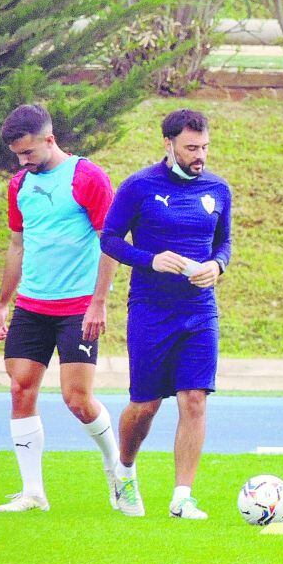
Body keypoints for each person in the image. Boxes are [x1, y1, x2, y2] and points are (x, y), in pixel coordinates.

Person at [100, 109, 232, 519]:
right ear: (168, 144)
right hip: (151, 310)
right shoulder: (140, 186)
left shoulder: (218, 189)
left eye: (205, 147)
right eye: (191, 147)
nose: (200, 155)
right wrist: (151, 260)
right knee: (146, 404)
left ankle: (182, 497)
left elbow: (224, 243)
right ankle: (123, 470)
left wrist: (218, 266)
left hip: (199, 311)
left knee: (194, 399)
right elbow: (109, 240)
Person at [0, 104, 121, 512]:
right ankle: (33, 492)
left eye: (29, 153)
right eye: (17, 156)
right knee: (20, 387)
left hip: (77, 306)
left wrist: (98, 303)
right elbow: (17, 245)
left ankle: (117, 468)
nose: (23, 162)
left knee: (77, 399)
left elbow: (110, 242)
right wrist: (2, 305)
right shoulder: (19, 185)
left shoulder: (87, 177)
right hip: (32, 305)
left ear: (50, 139)